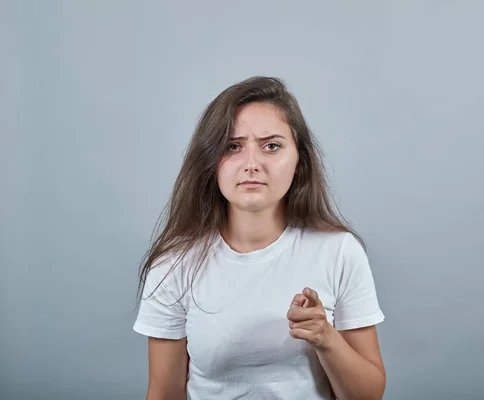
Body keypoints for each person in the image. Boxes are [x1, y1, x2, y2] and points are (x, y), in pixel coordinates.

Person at [133, 76, 386, 399]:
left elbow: (369, 395)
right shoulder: (173, 265)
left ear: (300, 160)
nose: (252, 164)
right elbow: (164, 394)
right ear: (210, 161)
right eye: (233, 147)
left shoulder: (339, 252)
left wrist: (326, 338)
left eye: (271, 146)